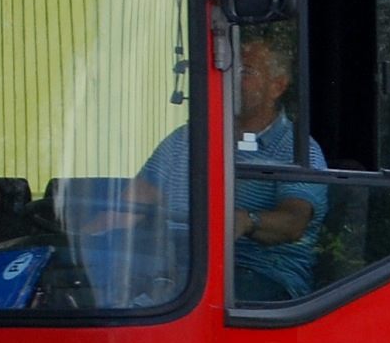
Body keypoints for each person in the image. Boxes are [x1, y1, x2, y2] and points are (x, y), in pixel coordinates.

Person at [136, 23, 329, 303]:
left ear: (278, 86)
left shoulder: (298, 149)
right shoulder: (188, 137)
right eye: (227, 68)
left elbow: (293, 221)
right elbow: (136, 199)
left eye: (245, 71)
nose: (229, 79)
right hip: (175, 267)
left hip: (257, 276)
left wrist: (247, 221)